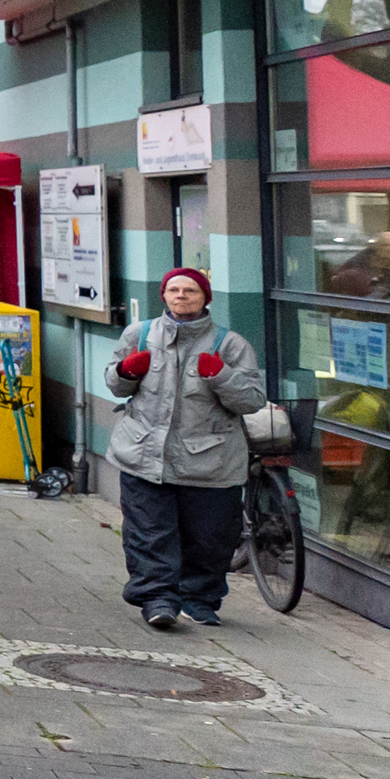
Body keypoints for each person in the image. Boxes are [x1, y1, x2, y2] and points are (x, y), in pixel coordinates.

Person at [105, 268, 270, 630]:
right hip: (144, 455)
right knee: (149, 533)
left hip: (210, 462)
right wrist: (125, 371)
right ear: (164, 295)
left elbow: (254, 400)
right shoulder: (140, 334)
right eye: (174, 290)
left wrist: (221, 376)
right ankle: (158, 599)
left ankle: (198, 598)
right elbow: (115, 385)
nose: (181, 296)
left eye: (191, 290)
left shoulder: (231, 345)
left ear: (205, 298)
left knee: (209, 539)